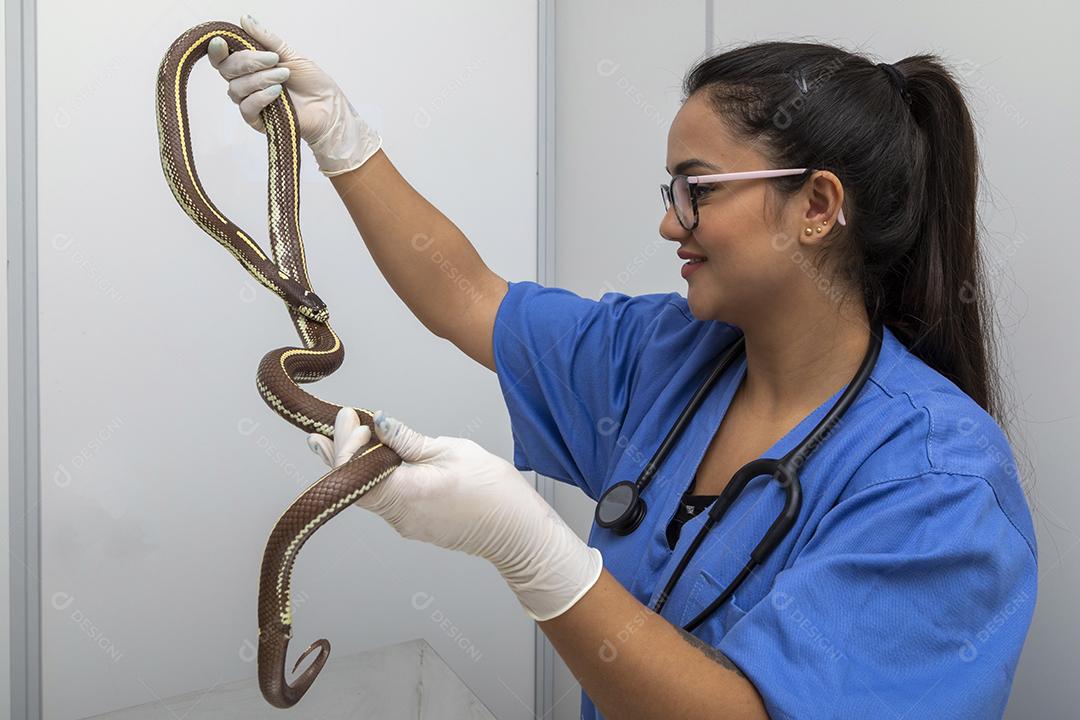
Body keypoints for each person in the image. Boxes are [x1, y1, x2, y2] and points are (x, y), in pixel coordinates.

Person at [209, 15, 1037, 719]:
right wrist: (340, 138)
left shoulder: (941, 487)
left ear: (816, 207)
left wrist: (530, 549)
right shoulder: (667, 357)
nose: (670, 225)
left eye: (696, 189)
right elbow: (466, 296)